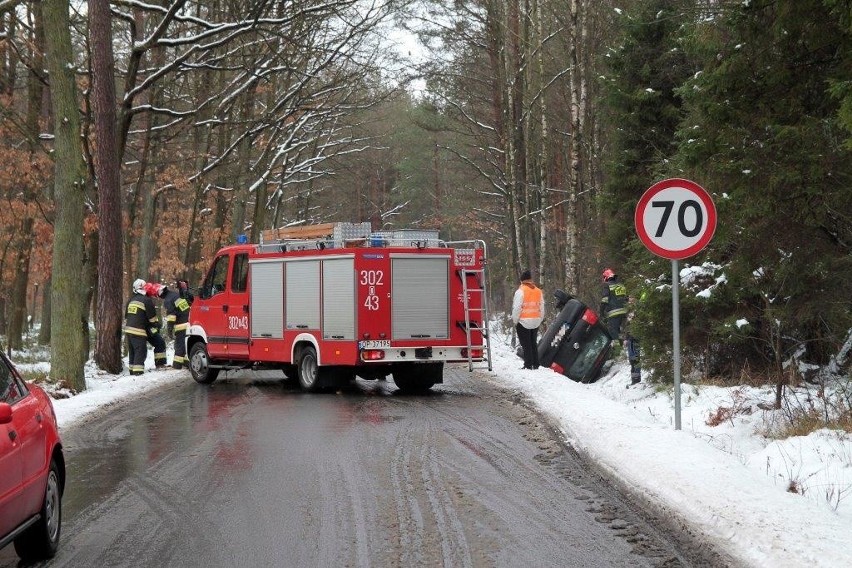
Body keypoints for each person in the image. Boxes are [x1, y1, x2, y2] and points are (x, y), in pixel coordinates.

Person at [124, 279, 167, 375]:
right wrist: (157, 325)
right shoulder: (146, 300)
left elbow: (127, 316)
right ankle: (138, 372)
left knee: (133, 351)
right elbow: (152, 319)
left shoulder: (130, 300)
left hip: (130, 330)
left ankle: (132, 370)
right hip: (140, 330)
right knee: (141, 350)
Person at [511, 269, 544, 370]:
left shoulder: (520, 291)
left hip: (524, 321)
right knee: (533, 343)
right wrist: (540, 319)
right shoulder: (538, 291)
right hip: (536, 320)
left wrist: (515, 320)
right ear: (530, 280)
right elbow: (542, 306)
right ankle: (536, 363)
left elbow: (517, 308)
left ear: (522, 281)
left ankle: (528, 364)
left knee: (526, 344)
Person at [163, 278, 193, 369]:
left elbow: (171, 316)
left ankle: (177, 365)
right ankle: (186, 362)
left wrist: (169, 329)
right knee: (184, 344)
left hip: (182, 325)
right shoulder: (181, 296)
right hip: (189, 322)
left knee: (179, 345)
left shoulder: (171, 299)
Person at [600, 268, 628, 342]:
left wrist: (601, 313)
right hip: (625, 312)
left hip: (614, 313)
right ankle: (626, 346)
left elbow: (604, 300)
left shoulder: (607, 285)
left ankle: (617, 350)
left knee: (613, 333)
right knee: (625, 332)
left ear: (606, 277)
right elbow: (625, 298)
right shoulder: (621, 285)